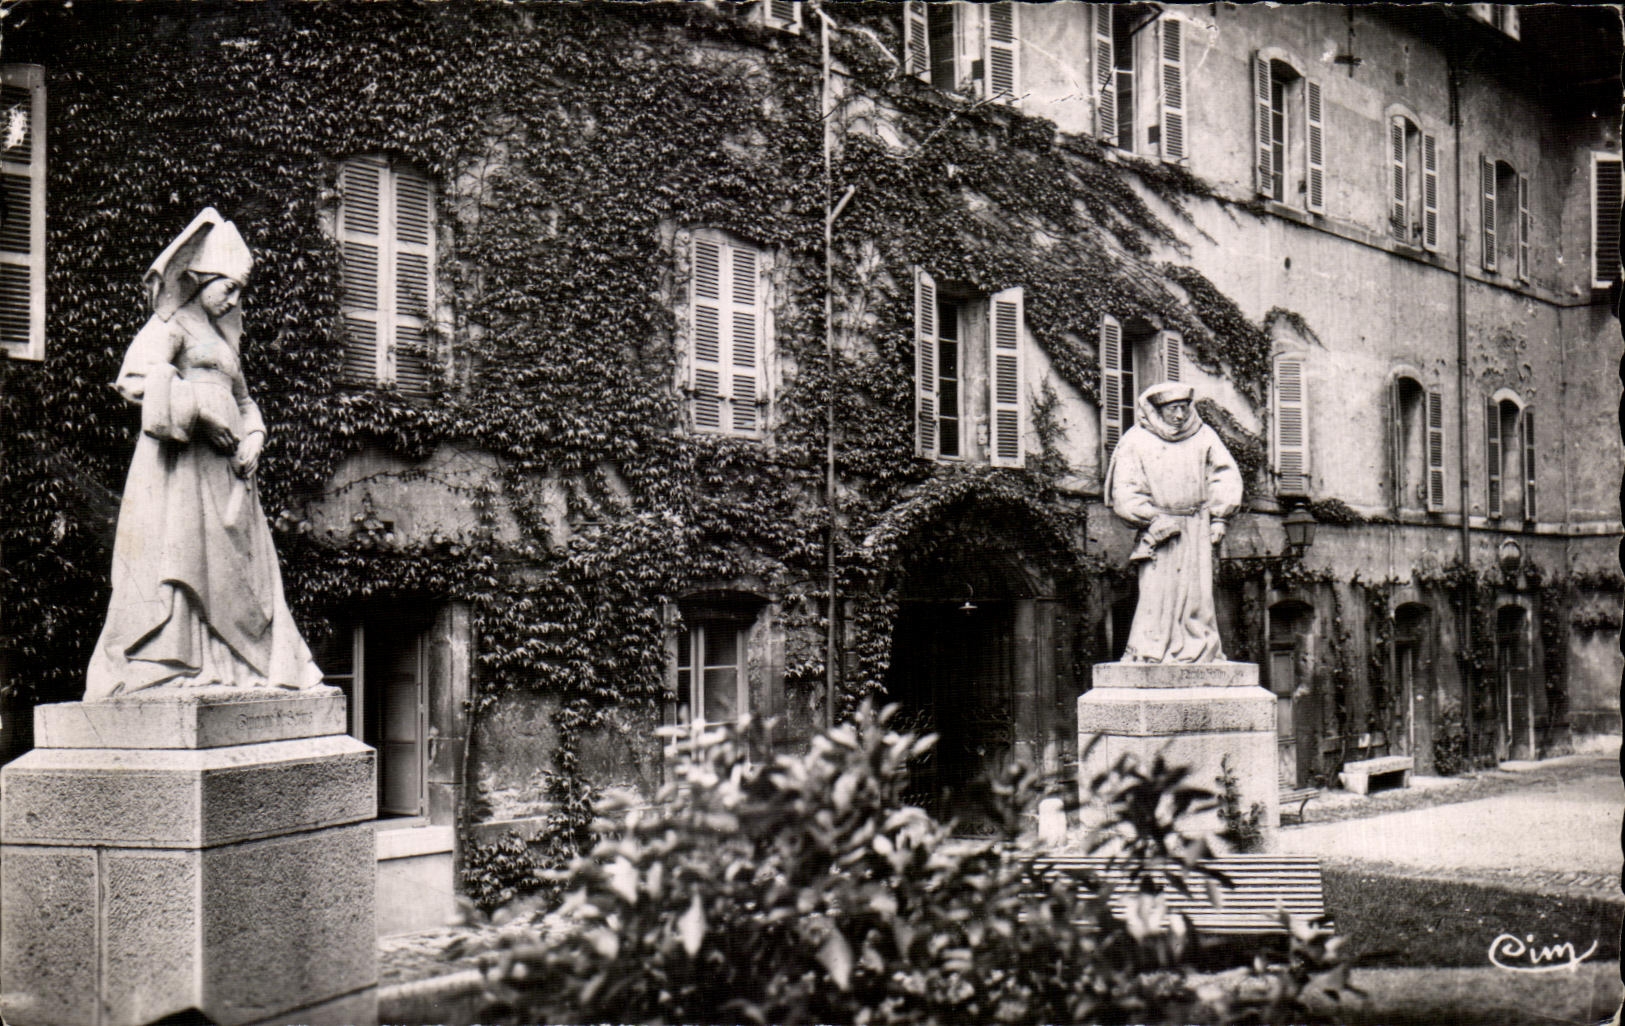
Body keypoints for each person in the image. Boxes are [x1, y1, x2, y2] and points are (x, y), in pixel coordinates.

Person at [85, 208, 324, 699]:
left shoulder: (224, 343)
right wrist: (198, 413)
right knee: (184, 553)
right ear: (199, 280)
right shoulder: (172, 324)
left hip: (231, 476)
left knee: (245, 574)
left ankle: (238, 667)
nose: (234, 299)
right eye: (227, 287)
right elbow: (135, 380)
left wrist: (254, 435)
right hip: (183, 467)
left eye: (239, 290)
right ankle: (178, 663)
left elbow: (245, 400)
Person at [1105, 382, 1243, 664]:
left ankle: (1199, 650)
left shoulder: (1204, 436)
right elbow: (1125, 491)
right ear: (1157, 410)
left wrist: (1219, 518)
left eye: (1183, 408)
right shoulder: (1136, 441)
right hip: (1160, 530)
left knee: (1198, 597)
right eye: (1172, 409)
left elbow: (1224, 475)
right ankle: (1149, 650)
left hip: (1196, 525)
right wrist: (1152, 518)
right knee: (1156, 595)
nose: (1179, 415)